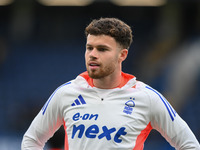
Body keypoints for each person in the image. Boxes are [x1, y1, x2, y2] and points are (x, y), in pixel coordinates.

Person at [21, 17, 200, 150]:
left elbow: (189, 145)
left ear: (122, 55)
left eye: (102, 49)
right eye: (89, 48)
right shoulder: (66, 93)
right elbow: (32, 140)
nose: (92, 54)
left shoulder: (147, 97)